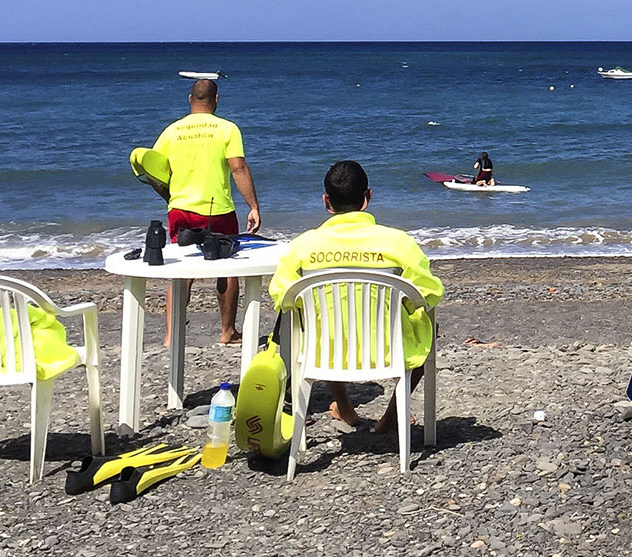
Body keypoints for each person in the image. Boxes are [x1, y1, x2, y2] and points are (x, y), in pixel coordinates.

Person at [269, 160, 443, 432]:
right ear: (367, 197)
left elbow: (282, 296)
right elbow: (430, 293)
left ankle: (346, 407)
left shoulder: (303, 245)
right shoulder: (398, 242)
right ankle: (390, 417)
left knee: (324, 321)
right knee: (430, 326)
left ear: (327, 201)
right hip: (388, 349)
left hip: (324, 352)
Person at [152, 78, 261, 345]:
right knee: (227, 268)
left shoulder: (171, 131)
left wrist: (170, 197)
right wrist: (253, 206)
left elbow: (153, 171)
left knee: (182, 272)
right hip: (217, 209)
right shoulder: (227, 129)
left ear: (191, 99)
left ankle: (170, 335)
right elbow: (238, 168)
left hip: (180, 210)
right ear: (217, 99)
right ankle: (227, 331)